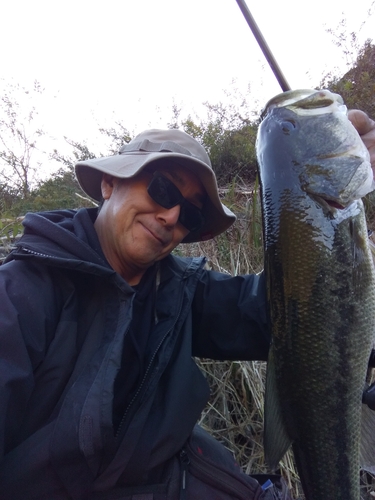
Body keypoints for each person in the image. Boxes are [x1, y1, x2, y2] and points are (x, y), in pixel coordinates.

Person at [0, 111, 374, 500]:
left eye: (191, 214)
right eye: (163, 190)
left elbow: (297, 313)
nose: (172, 216)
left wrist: (346, 196)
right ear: (109, 183)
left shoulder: (179, 289)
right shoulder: (20, 294)